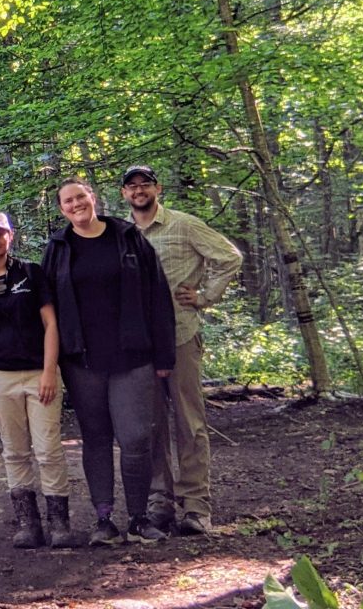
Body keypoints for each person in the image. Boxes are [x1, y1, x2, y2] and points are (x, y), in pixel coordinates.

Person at [41, 177, 175, 546]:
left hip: (133, 356)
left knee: (135, 437)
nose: (75, 205)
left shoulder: (128, 238)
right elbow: (45, 308)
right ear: (61, 209)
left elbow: (158, 296)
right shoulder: (58, 248)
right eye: (67, 201)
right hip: (82, 361)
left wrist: (164, 355)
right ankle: (104, 520)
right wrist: (48, 362)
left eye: (80, 197)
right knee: (96, 438)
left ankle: (138, 517)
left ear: (93, 198)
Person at [121, 165, 242, 535]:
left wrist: (205, 297)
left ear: (158, 188)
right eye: (132, 186)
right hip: (140, 346)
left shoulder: (184, 225)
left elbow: (229, 257)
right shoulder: (121, 234)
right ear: (124, 193)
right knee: (152, 425)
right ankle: (161, 501)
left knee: (189, 422)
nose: (139, 191)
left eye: (145, 184)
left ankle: (196, 506)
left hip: (181, 336)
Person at [0, 211, 78, 549]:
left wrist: (48, 371)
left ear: (10, 236)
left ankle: (60, 522)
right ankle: (28, 523)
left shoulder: (31, 272)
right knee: (14, 451)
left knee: (48, 449)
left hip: (39, 374)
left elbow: (51, 324)